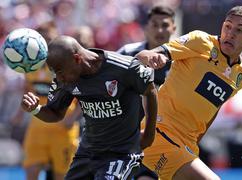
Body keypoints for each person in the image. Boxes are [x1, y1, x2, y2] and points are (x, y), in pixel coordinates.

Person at [135, 5, 242, 180]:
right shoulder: (200, 41)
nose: (230, 34)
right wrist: (151, 55)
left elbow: (213, 109)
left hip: (187, 145)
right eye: (228, 27)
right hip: (161, 132)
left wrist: (196, 142)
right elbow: (157, 52)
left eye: (240, 30)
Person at [21, 35, 158, 180]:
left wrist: (149, 134)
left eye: (59, 72)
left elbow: (150, 90)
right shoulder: (64, 77)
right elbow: (55, 113)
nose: (58, 78)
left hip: (120, 153)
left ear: (77, 59)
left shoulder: (123, 67)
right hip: (87, 152)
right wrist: (35, 109)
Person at [117, 6, 176, 179]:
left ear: (173, 28)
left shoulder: (183, 62)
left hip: (165, 139)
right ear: (145, 27)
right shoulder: (127, 53)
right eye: (154, 24)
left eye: (164, 25)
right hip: (127, 137)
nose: (159, 30)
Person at [22, 21, 81, 180]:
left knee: (61, 176)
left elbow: (84, 94)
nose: (47, 43)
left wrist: (73, 117)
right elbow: (27, 89)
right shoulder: (30, 65)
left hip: (62, 128)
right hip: (37, 127)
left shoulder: (67, 64)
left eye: (50, 39)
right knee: (31, 172)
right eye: (43, 39)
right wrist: (19, 115)